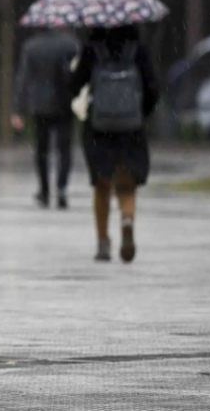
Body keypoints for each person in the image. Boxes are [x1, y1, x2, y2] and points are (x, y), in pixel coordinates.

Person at [68, 25, 159, 263]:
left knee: (102, 184)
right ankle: (127, 221)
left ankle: (103, 242)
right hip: (131, 128)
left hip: (99, 127)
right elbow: (152, 90)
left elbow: (75, 86)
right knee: (127, 186)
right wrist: (141, 113)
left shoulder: (93, 50)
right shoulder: (138, 50)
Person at [11, 30, 79, 209]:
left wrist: (19, 110)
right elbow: (78, 74)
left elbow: (23, 79)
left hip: (40, 105)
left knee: (42, 150)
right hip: (65, 103)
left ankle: (44, 190)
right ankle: (62, 187)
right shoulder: (71, 45)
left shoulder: (32, 47)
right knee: (65, 149)